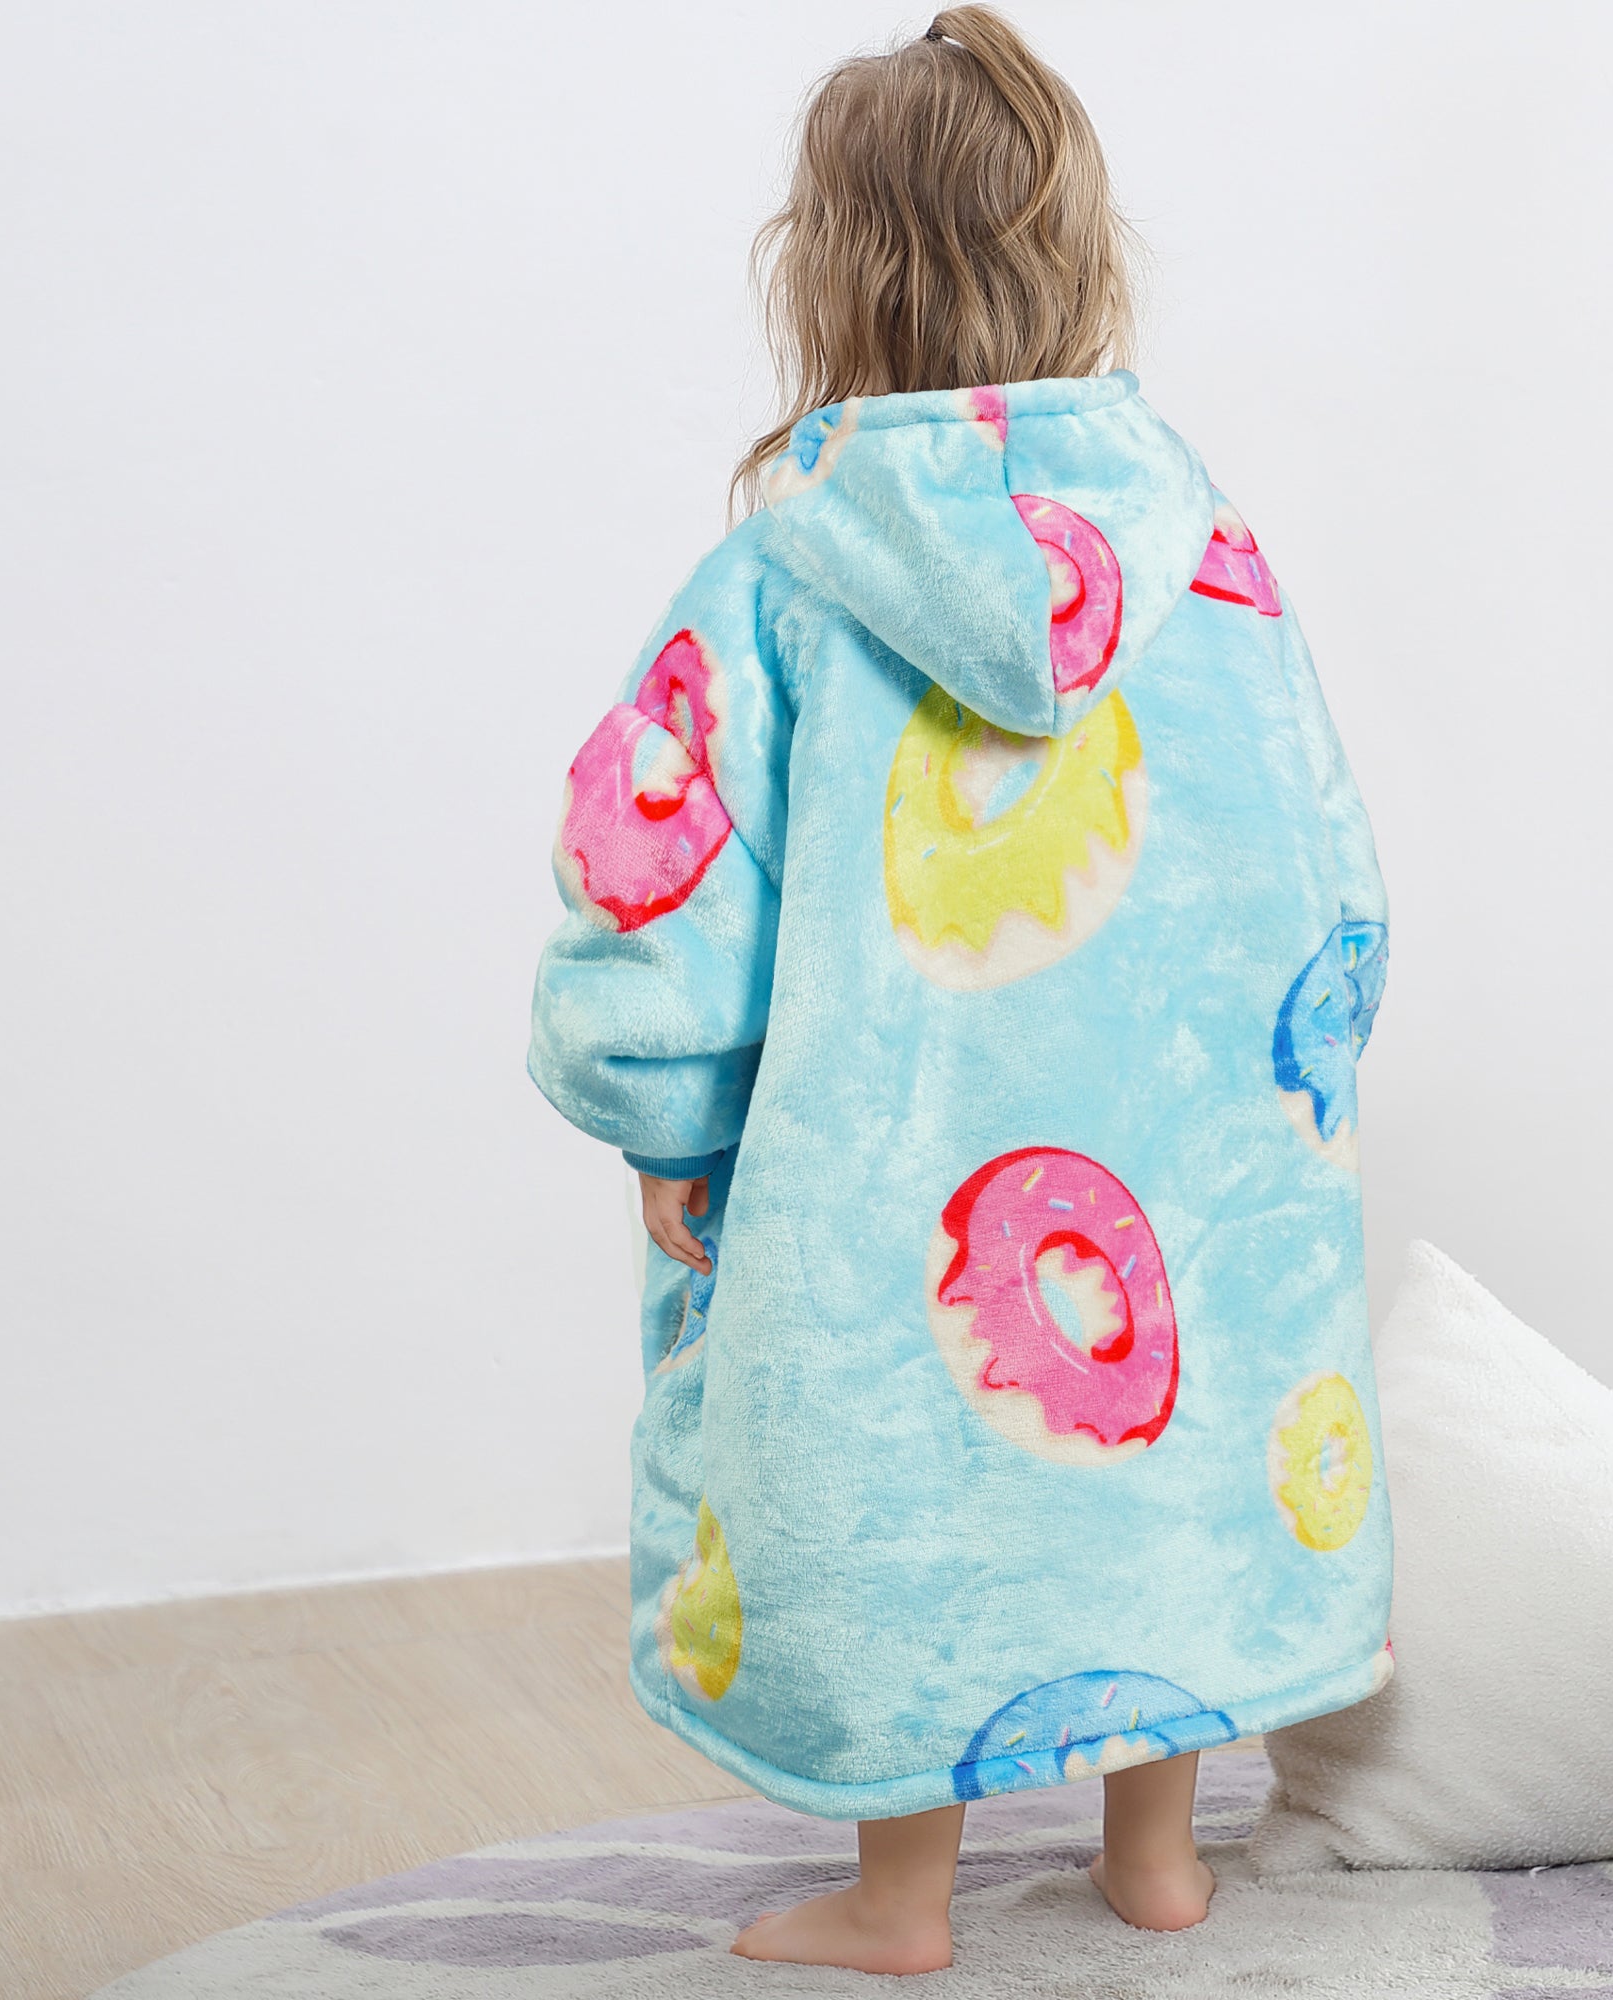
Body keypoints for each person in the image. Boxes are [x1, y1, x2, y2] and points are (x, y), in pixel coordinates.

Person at [529, 5, 1392, 1974]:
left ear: (829, 274)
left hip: (875, 1179)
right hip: (1185, 1145)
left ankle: (899, 1898)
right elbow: (1322, 851)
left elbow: (656, 868)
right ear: (1080, 253)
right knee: (1162, 1466)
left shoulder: (779, 584)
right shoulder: (1209, 560)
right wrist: (1307, 1068)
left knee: (892, 1494)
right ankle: (1155, 1860)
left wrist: (665, 1113)